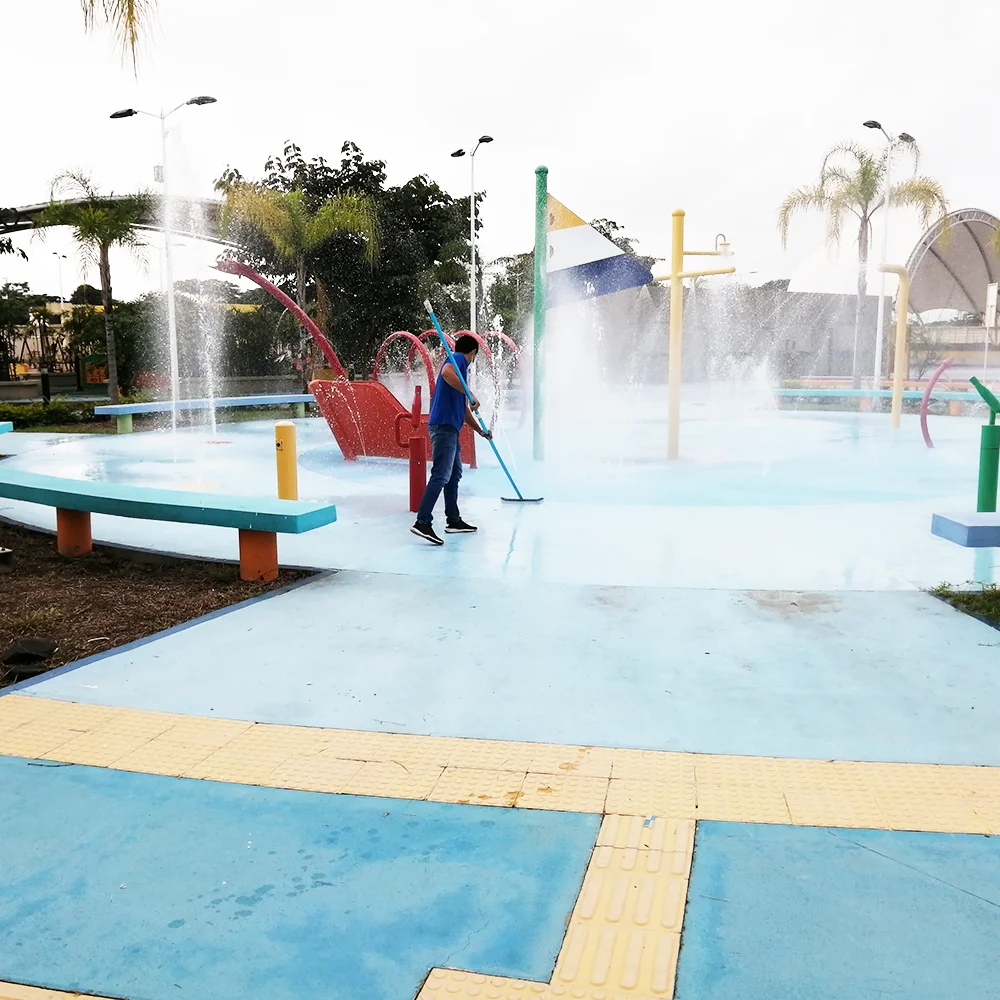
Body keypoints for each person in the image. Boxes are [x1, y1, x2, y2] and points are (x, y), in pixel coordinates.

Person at [411, 334, 492, 545]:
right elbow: (446, 372)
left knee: (454, 474)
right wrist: (471, 393)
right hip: (444, 427)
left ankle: (453, 520)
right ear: (473, 353)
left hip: (450, 429)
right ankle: (422, 522)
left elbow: (463, 410)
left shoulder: (460, 377)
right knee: (441, 474)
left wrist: (480, 431)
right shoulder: (458, 359)